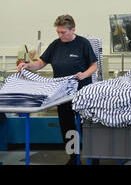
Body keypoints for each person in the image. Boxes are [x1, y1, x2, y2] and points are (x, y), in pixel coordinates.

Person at [17, 15, 98, 165]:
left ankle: (94, 156)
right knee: (68, 126)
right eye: (58, 32)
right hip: (62, 94)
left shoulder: (83, 44)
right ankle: (73, 157)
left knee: (86, 125)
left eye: (63, 32)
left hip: (82, 93)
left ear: (73, 29)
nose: (60, 35)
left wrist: (84, 75)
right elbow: (40, 63)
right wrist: (27, 66)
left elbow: (94, 66)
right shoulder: (55, 45)